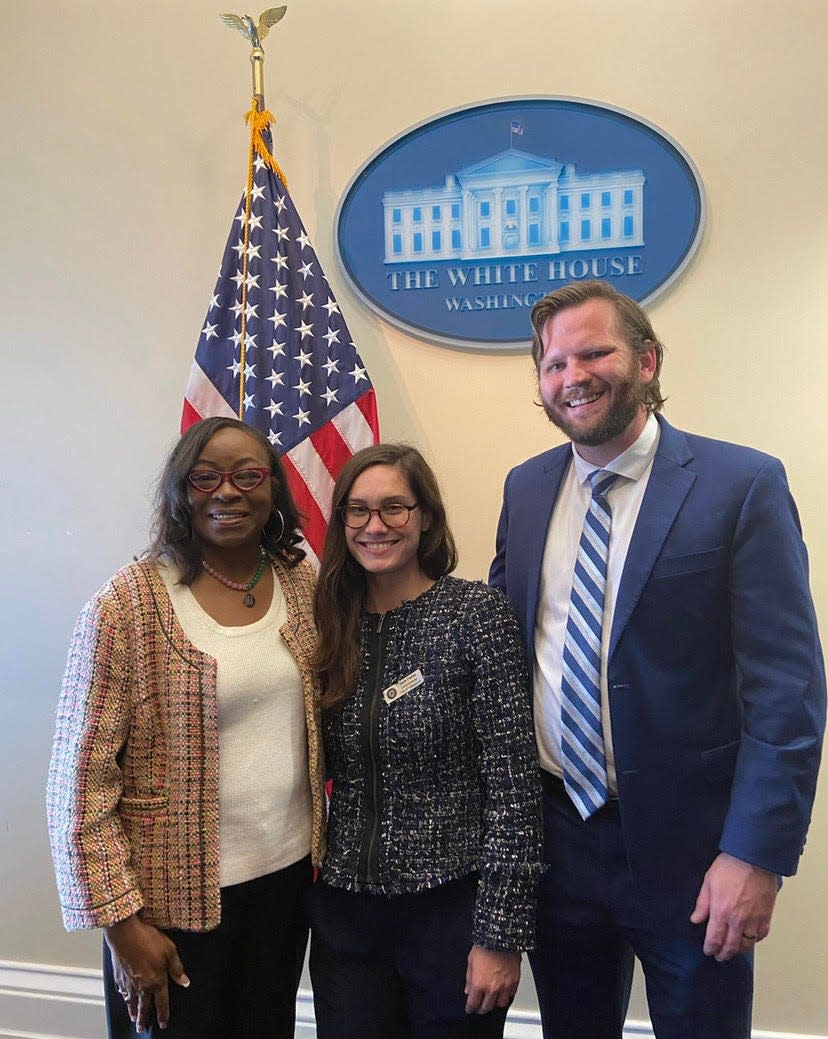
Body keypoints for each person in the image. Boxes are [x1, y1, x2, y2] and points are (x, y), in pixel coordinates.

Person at [489, 280, 825, 1039]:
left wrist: (755, 853)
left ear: (647, 359)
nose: (572, 375)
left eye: (594, 351)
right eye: (553, 362)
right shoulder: (528, 486)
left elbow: (788, 691)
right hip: (558, 837)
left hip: (694, 853)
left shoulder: (741, 485)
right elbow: (509, 640)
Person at [46, 416, 326, 1039]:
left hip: (284, 885)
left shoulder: (299, 578)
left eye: (249, 475)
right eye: (206, 478)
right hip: (169, 906)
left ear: (275, 489)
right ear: (181, 491)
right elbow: (77, 783)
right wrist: (121, 923)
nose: (228, 491)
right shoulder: (126, 606)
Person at [309, 443, 542, 1039]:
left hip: (450, 912)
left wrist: (500, 935)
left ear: (427, 517)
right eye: (356, 511)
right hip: (345, 917)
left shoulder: (473, 614)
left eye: (394, 508)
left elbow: (514, 787)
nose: (374, 525)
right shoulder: (325, 624)